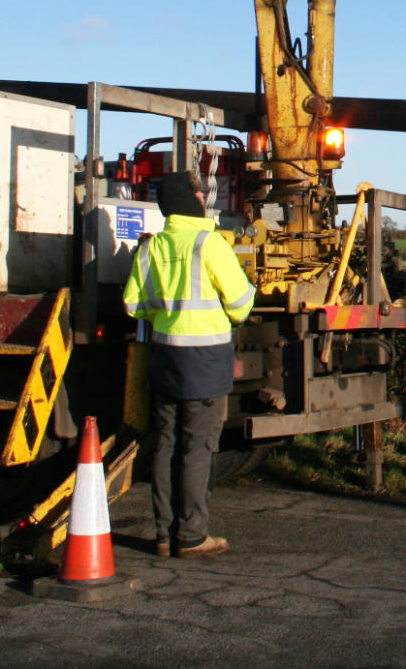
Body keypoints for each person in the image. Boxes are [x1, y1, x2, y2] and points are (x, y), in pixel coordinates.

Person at [123, 170, 256, 559]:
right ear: (194, 200)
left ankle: (164, 535)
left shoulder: (152, 248)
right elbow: (240, 303)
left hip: (166, 357)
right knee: (198, 447)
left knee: (167, 443)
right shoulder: (209, 244)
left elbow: (133, 304)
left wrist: (164, 315)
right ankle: (193, 535)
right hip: (206, 359)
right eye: (202, 194)